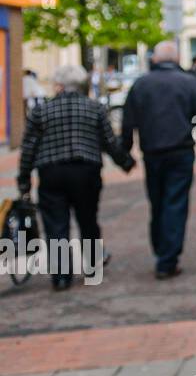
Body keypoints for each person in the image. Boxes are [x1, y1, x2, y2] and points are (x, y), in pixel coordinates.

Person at [17, 65, 135, 290]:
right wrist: (126, 162)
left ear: (59, 85)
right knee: (88, 219)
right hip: (86, 171)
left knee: (56, 225)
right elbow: (109, 142)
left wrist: (23, 179)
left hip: (51, 172)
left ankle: (61, 277)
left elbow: (29, 148)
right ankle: (92, 267)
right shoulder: (95, 108)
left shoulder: (41, 111)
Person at [121, 40, 196, 280]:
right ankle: (167, 258)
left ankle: (162, 251)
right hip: (181, 152)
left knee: (157, 203)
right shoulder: (189, 84)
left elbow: (128, 122)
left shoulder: (141, 85)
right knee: (175, 203)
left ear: (155, 59)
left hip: (152, 153)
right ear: (176, 60)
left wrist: (125, 154)